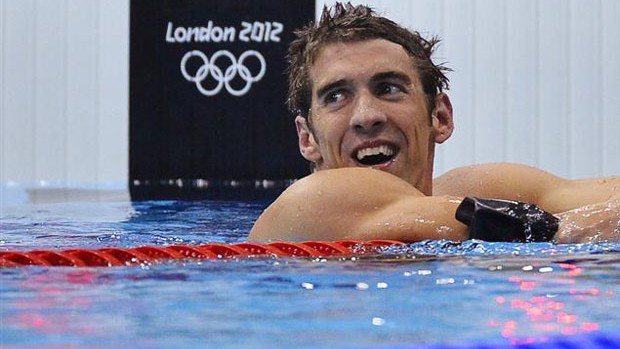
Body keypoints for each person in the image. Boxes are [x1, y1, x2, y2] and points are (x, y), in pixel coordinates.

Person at [248, 2, 619, 243]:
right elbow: (545, 231)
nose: (366, 116)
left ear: (440, 117)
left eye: (388, 88)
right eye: (337, 96)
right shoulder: (310, 204)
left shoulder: (470, 188)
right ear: (306, 138)